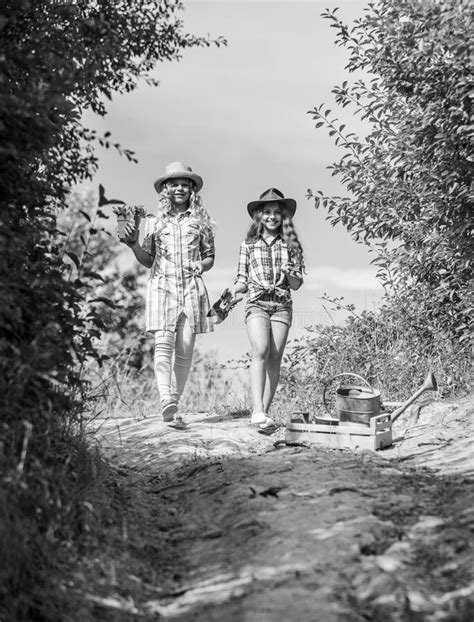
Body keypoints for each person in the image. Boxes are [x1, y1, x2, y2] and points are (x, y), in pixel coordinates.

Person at [120, 162, 215, 422]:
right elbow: (148, 259)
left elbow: (210, 257)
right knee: (163, 344)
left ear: (192, 190)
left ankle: (174, 402)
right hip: (162, 286)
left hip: (191, 288)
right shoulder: (153, 221)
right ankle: (165, 398)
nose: (181, 188)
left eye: (186, 184)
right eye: (175, 184)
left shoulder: (201, 221)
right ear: (166, 189)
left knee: (185, 348)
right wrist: (132, 246)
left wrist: (201, 265)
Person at [233, 188, 304, 429]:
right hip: (257, 303)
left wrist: (289, 272)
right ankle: (257, 410)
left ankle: (265, 411)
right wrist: (235, 291)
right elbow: (242, 278)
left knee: (274, 356)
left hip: (282, 304)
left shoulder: (291, 245)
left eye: (276, 212)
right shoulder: (248, 245)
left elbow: (296, 284)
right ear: (259, 216)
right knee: (260, 349)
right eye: (267, 212)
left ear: (283, 217)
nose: (272, 216)